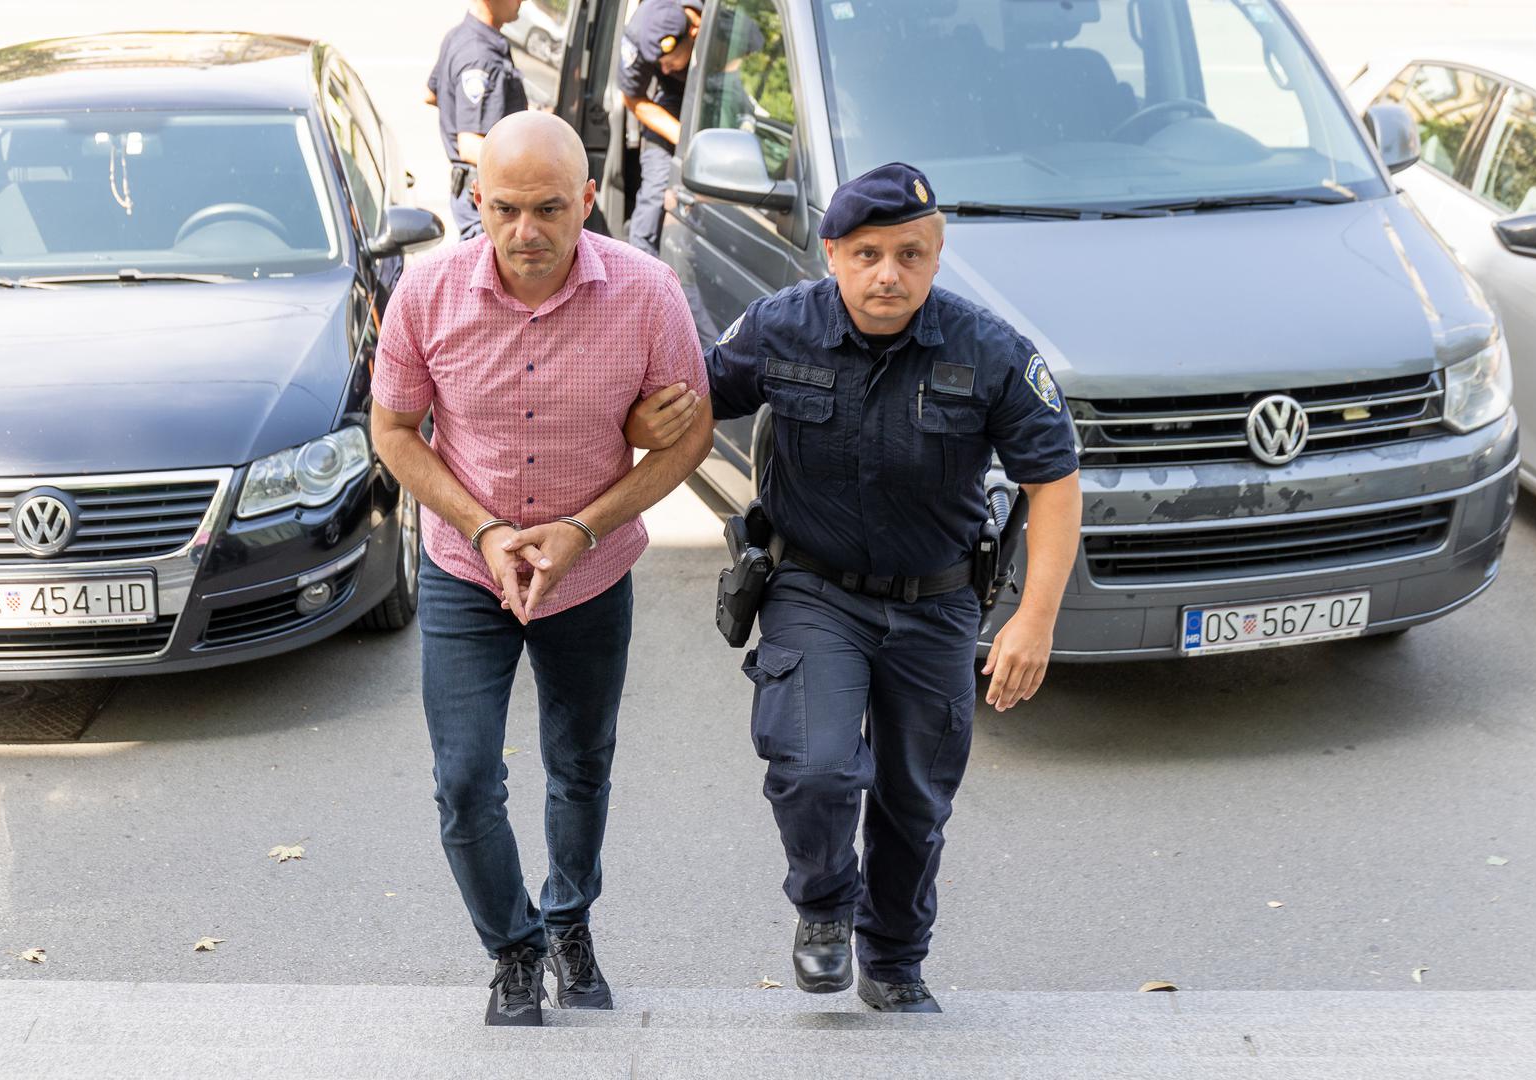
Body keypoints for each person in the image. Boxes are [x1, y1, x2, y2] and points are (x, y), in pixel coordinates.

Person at [627, 163, 1082, 1012]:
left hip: (938, 601)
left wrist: (1034, 619)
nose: (887, 274)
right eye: (866, 253)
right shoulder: (778, 327)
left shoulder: (988, 351)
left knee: (915, 802)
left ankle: (897, 963)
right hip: (814, 588)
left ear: (936, 256)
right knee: (815, 765)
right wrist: (620, 428)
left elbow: (1052, 482)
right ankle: (826, 909)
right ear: (830, 253)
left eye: (909, 255)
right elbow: (685, 400)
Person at [371, 112, 714, 1027]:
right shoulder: (426, 293)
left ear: (589, 200)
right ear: (475, 201)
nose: (527, 233)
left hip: (589, 575)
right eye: (506, 209)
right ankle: (514, 950)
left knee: (581, 765)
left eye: (550, 209)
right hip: (464, 569)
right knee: (466, 779)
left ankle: (568, 922)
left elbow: (691, 437)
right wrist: (485, 530)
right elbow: (394, 431)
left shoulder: (647, 294)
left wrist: (583, 530)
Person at [426, 0, 530, 239]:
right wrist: (532, 159)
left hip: (475, 195)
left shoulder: (460, 36)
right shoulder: (480, 56)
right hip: (488, 201)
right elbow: (470, 145)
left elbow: (431, 93)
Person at [616, 0, 703, 255]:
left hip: (715, 95)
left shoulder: (721, 21)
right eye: (658, 63)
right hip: (671, 101)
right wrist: (684, 139)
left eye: (669, 62)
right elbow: (633, 98)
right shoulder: (640, 31)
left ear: (694, 30)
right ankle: (640, 270)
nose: (662, 68)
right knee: (655, 191)